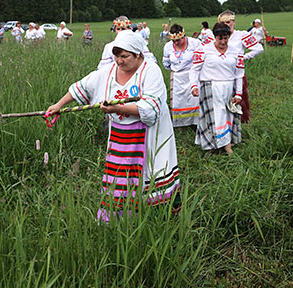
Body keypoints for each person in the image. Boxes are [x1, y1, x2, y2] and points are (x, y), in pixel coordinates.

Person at [46, 30, 181, 221]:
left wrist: (119, 107)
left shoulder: (151, 71)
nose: (119, 61)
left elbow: (152, 108)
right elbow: (83, 86)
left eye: (125, 56)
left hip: (148, 135)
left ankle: (153, 219)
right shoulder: (109, 71)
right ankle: (119, 219)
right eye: (116, 56)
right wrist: (59, 106)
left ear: (137, 54)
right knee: (119, 176)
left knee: (150, 173)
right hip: (120, 136)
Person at [190, 23, 245, 155]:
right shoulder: (204, 49)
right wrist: (194, 86)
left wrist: (238, 93)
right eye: (220, 38)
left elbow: (239, 74)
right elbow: (194, 70)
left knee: (227, 115)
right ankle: (211, 145)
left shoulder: (236, 51)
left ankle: (227, 143)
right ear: (215, 37)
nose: (223, 41)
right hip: (210, 86)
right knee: (213, 116)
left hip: (228, 86)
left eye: (226, 38)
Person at [217, 10, 263, 124]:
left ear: (234, 21)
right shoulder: (218, 36)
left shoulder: (241, 35)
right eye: (224, 22)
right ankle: (225, 122)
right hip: (221, 73)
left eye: (229, 22)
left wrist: (243, 57)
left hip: (237, 72)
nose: (227, 24)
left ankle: (242, 122)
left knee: (240, 98)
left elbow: (258, 48)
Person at [163, 24, 202, 127]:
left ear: (183, 36)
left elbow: (202, 58)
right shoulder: (168, 47)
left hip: (192, 75)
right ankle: (180, 125)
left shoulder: (195, 43)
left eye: (178, 40)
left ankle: (195, 123)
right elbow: (166, 63)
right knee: (178, 102)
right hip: (177, 77)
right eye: (173, 41)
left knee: (194, 100)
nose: (176, 43)